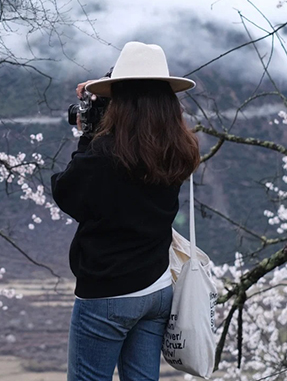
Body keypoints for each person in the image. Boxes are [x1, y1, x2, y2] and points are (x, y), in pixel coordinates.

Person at [51, 42, 200, 381]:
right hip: (158, 288)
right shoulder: (179, 148)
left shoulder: (104, 155)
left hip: (109, 292)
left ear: (119, 103)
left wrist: (88, 134)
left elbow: (66, 192)